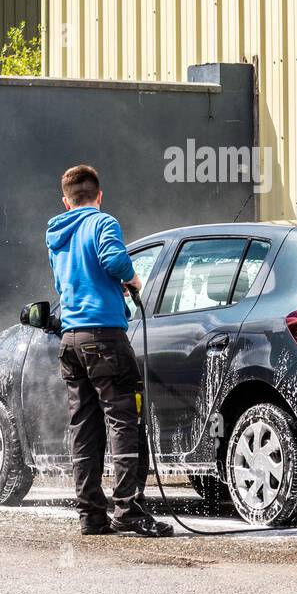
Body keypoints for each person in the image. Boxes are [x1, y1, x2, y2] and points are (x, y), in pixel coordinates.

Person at [44, 164, 173, 538]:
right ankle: (129, 510)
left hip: (71, 341)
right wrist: (131, 280)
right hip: (105, 337)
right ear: (99, 196)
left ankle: (91, 515)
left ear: (66, 201)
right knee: (124, 422)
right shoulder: (103, 223)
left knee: (84, 426)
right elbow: (114, 260)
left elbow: (64, 282)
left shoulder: (56, 233)